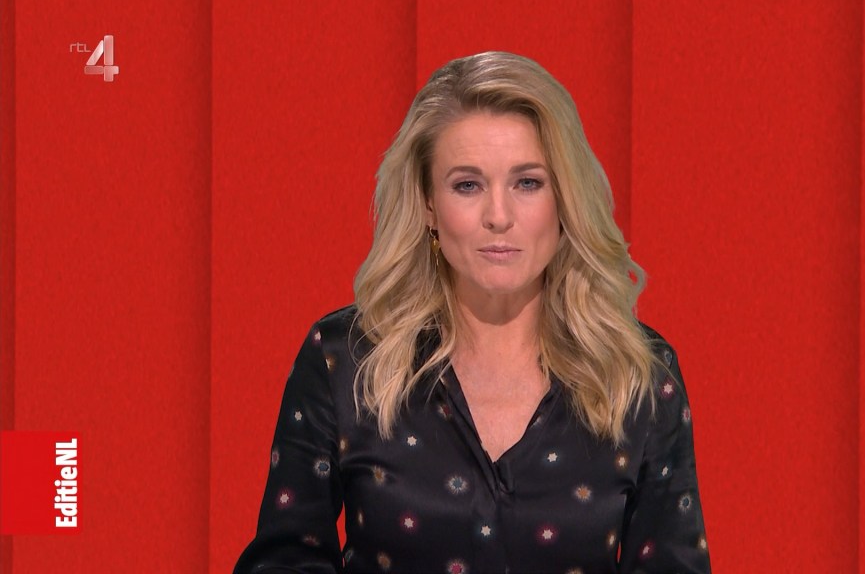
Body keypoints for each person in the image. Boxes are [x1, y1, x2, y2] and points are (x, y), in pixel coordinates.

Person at [234, 51, 711, 574]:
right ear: (428, 205)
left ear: (565, 200)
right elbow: (285, 562)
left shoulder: (640, 373)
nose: (498, 217)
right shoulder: (343, 359)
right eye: (467, 185)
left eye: (527, 183)